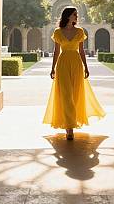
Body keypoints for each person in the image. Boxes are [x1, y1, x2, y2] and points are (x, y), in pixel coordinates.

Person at [42, 7, 106, 140]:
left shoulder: (80, 31)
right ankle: (69, 128)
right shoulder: (58, 32)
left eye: (77, 14)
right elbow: (56, 51)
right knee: (66, 95)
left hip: (76, 64)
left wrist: (86, 67)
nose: (77, 16)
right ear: (68, 16)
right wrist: (53, 68)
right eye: (75, 14)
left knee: (75, 95)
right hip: (63, 64)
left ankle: (71, 122)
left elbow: (82, 51)